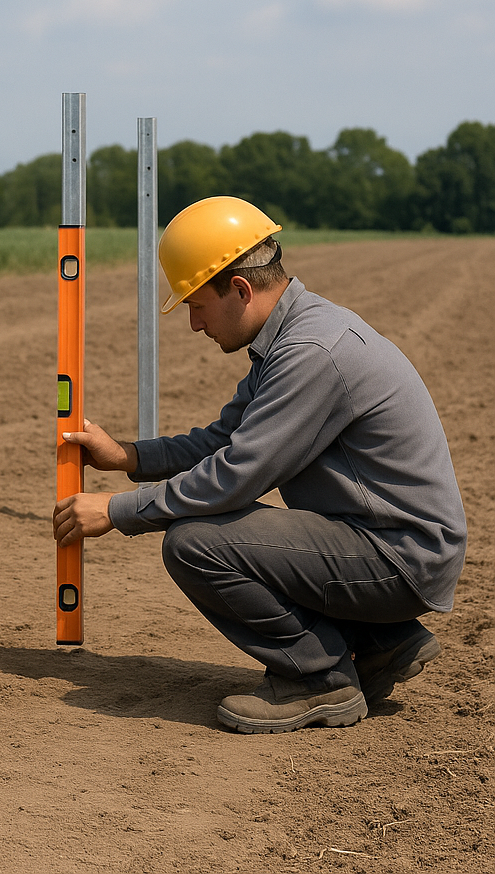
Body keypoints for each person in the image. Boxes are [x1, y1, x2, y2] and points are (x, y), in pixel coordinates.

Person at [52, 197, 467, 734]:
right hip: (387, 539)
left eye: (197, 305)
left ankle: (316, 680)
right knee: (232, 527)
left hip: (402, 555)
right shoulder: (291, 334)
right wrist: (130, 457)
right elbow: (226, 438)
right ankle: (383, 641)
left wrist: (117, 511)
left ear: (241, 290)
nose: (195, 324)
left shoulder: (312, 351)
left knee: (196, 543)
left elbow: (237, 474)